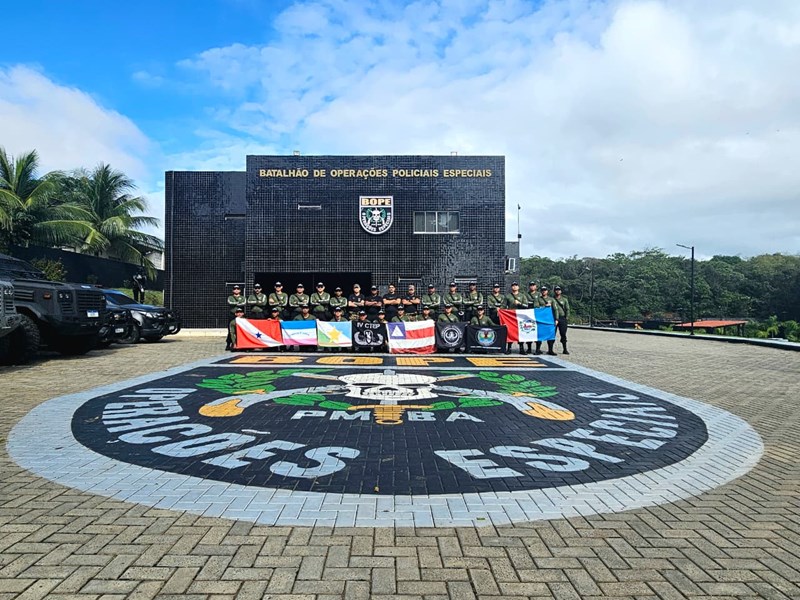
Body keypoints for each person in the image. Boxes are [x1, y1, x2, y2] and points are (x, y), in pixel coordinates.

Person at [503, 282, 528, 354]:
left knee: (521, 332)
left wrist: (519, 303)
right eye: (513, 286)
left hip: (520, 317)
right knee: (510, 332)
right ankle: (509, 348)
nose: (514, 287)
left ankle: (521, 348)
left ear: (518, 287)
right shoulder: (508, 296)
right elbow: (504, 306)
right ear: (511, 287)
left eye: (516, 286)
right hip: (511, 317)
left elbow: (526, 306)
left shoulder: (522, 296)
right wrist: (500, 310)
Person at [225, 284, 246, 350]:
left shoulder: (243, 297)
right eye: (235, 289)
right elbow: (230, 302)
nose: (236, 290)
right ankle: (229, 343)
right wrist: (238, 303)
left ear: (240, 290)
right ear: (233, 290)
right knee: (230, 330)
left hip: (240, 316)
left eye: (237, 289)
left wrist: (235, 303)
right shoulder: (230, 297)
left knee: (240, 330)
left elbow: (244, 303)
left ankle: (240, 343)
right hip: (232, 315)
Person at [523, 281, 541, 355]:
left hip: (537, 314)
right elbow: (524, 303)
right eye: (531, 285)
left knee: (538, 332)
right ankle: (529, 348)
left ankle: (538, 349)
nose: (532, 286)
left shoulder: (539, 294)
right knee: (529, 330)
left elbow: (542, 303)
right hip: (529, 314)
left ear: (536, 286)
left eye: (533, 285)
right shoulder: (526, 295)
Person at [552, 285, 570, 355]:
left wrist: (567, 317)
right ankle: (550, 349)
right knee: (552, 334)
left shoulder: (564, 299)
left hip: (562, 318)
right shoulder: (552, 299)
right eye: (556, 290)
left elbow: (567, 309)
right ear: (554, 291)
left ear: (561, 291)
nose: (557, 291)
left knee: (563, 334)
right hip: (553, 318)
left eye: (559, 289)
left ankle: (565, 349)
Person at [539, 285, 557, 355]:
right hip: (540, 319)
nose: (544, 291)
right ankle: (538, 349)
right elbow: (536, 307)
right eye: (542, 290)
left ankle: (550, 349)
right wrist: (544, 306)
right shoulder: (538, 299)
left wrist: (556, 319)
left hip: (549, 319)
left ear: (547, 291)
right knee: (539, 334)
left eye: (545, 290)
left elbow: (555, 310)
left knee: (551, 334)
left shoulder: (552, 299)